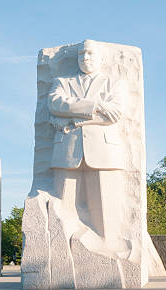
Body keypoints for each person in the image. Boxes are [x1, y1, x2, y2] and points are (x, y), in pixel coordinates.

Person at [48, 39, 127, 245]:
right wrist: (97, 105)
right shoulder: (62, 82)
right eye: (82, 54)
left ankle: (108, 246)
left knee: (105, 209)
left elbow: (116, 113)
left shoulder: (114, 83)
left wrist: (75, 119)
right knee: (62, 207)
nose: (85, 58)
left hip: (104, 151)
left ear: (101, 59)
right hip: (67, 149)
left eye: (91, 54)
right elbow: (56, 104)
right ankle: (62, 248)